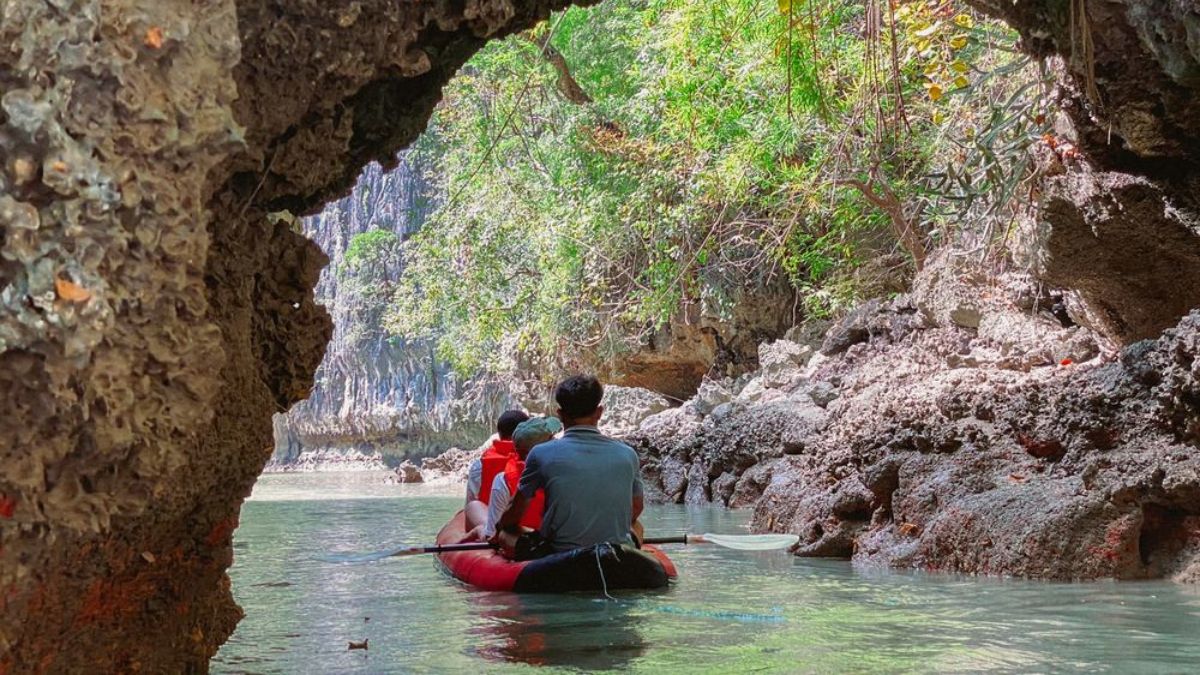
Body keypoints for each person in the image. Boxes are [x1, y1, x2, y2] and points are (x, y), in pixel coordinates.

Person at [493, 375, 644, 558]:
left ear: (560, 414)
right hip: (614, 550)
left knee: (505, 533)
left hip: (557, 553)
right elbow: (636, 508)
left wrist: (499, 527)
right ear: (599, 412)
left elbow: (515, 513)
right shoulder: (628, 454)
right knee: (637, 526)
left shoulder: (540, 453)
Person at [477, 416, 562, 544]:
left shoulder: (503, 479)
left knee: (475, 506)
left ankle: (478, 530)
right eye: (552, 437)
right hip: (558, 540)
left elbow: (494, 535)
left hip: (523, 540)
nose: (555, 438)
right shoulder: (567, 471)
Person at [463, 410, 529, 533]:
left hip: (495, 531)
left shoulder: (480, 465)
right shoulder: (537, 462)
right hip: (532, 529)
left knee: (472, 507)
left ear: (499, 434)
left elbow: (470, 501)